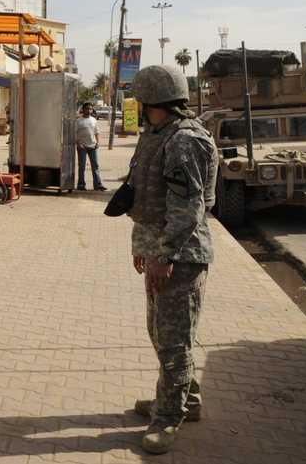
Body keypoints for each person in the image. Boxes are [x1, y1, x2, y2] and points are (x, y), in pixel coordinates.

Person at [124, 65, 218, 455]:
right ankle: (181, 399)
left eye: (140, 99)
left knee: (174, 342)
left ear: (150, 100)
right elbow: (150, 198)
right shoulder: (160, 134)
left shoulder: (184, 140)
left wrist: (164, 256)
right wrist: (144, 247)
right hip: (161, 250)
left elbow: (187, 207)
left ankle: (168, 418)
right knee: (162, 334)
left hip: (180, 256)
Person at [75, 101, 106, 191]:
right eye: (87, 109)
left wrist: (98, 142)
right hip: (82, 147)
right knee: (82, 166)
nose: (89, 110)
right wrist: (78, 143)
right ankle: (81, 184)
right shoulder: (78, 121)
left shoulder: (93, 120)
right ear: (83, 110)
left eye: (90, 109)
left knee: (95, 165)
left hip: (93, 146)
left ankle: (98, 185)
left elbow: (97, 132)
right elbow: (73, 133)